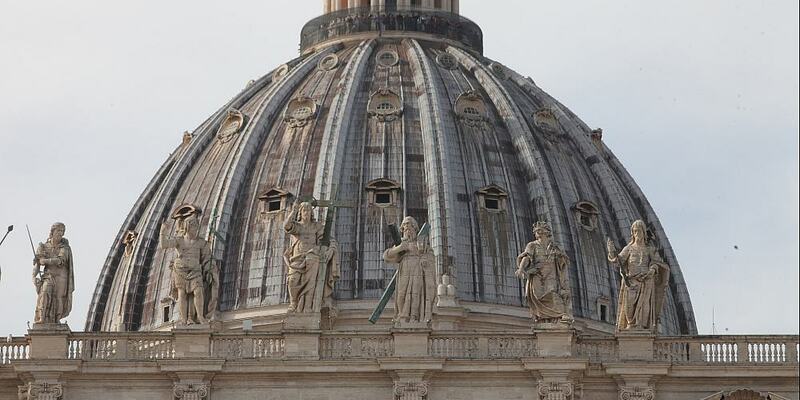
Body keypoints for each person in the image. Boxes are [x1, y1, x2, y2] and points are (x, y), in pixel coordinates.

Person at [607, 220, 670, 332]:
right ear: (632, 233)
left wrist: (652, 270)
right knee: (629, 305)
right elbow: (618, 260)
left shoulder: (650, 249)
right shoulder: (629, 248)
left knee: (645, 305)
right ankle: (631, 324)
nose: (637, 234)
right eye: (635, 231)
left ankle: (641, 326)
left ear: (644, 232)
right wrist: (612, 252)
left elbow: (657, 262)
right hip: (631, 281)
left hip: (646, 280)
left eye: (639, 231)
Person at [284, 201, 339, 314]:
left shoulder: (316, 226)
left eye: (309, 210)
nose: (306, 212)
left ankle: (308, 307)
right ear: (300, 212)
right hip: (297, 259)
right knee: (292, 280)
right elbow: (286, 226)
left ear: (312, 213)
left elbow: (328, 239)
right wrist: (293, 211)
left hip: (312, 257)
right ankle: (294, 302)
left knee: (311, 283)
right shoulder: (297, 226)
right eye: (304, 210)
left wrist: (331, 249)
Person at [515, 221, 572, 323]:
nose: (538, 233)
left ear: (546, 232)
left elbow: (564, 261)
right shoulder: (532, 245)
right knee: (538, 295)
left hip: (551, 273)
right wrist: (521, 269)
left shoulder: (555, 247)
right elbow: (527, 257)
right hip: (537, 273)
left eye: (540, 231)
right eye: (537, 232)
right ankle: (542, 316)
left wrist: (560, 257)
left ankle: (559, 315)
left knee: (552, 293)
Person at [160, 211, 211, 325]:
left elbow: (206, 256)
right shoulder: (180, 240)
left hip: (195, 270)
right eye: (194, 226)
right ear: (188, 227)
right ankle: (183, 320)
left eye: (197, 226)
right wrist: (163, 232)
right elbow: (164, 245)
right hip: (180, 270)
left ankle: (200, 316)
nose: (196, 229)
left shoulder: (201, 242)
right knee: (182, 294)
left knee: (198, 291)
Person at [383, 216, 436, 325]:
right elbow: (386, 256)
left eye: (410, 227)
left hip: (418, 270)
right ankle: (402, 315)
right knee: (401, 294)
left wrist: (425, 260)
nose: (408, 230)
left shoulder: (421, 243)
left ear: (415, 228)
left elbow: (430, 255)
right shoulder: (401, 244)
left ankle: (414, 317)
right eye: (405, 228)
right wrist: (400, 248)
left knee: (416, 294)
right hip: (404, 270)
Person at [32, 222, 75, 324]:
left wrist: (45, 261)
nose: (60, 233)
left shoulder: (64, 248)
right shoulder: (43, 246)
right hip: (48, 276)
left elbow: (60, 260)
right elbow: (37, 264)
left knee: (59, 298)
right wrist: (33, 277)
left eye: (62, 231)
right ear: (52, 232)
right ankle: (42, 318)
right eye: (58, 231)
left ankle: (57, 320)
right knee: (44, 294)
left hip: (61, 277)